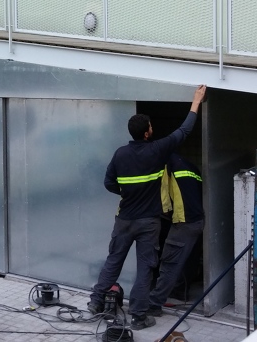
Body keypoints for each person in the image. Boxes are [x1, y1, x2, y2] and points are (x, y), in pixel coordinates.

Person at [87, 84, 207, 331]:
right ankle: (139, 317)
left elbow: (109, 182)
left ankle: (95, 303)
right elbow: (184, 131)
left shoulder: (120, 154)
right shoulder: (157, 150)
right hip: (148, 222)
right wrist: (196, 101)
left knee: (113, 262)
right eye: (151, 126)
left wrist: (126, 193)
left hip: (124, 219)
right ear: (147, 133)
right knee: (145, 270)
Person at [147, 153, 204, 317]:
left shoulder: (166, 167)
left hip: (182, 220)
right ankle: (180, 292)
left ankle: (155, 303)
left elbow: (164, 202)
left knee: (169, 263)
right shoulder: (190, 166)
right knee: (189, 257)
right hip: (197, 219)